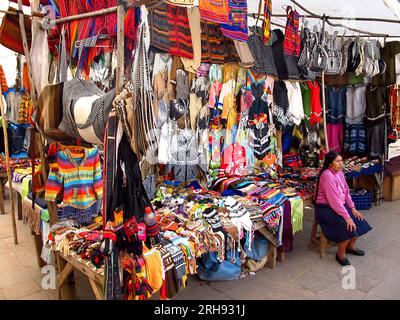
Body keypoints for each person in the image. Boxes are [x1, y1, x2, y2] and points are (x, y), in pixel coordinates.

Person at [315, 151, 372, 266]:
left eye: (341, 161)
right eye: (337, 161)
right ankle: (340, 255)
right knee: (347, 226)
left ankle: (350, 247)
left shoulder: (339, 173)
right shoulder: (327, 176)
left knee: (359, 221)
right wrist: (346, 217)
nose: (341, 163)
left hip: (338, 205)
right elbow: (333, 200)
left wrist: (352, 208)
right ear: (330, 163)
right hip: (325, 208)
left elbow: (346, 193)